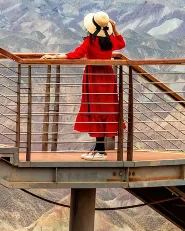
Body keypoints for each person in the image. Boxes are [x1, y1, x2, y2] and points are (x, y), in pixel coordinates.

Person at [42, 11, 125, 160]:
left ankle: (100, 151)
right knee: (106, 109)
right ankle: (98, 148)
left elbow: (76, 54)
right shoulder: (109, 40)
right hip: (108, 77)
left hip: (94, 77)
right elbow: (122, 43)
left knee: (96, 109)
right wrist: (115, 28)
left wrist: (55, 56)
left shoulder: (90, 41)